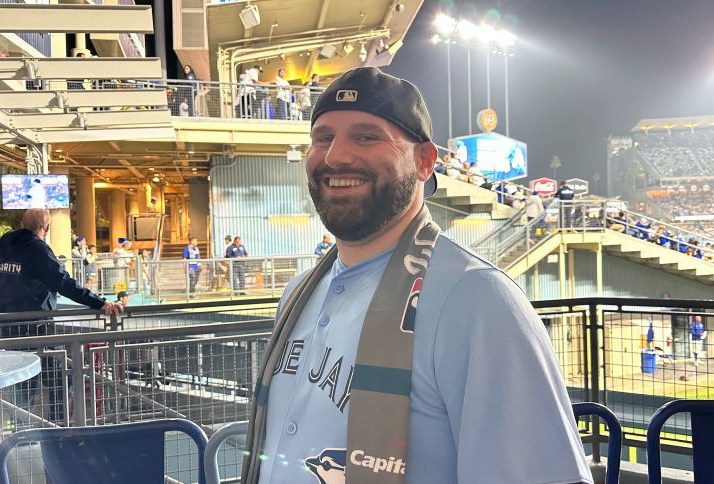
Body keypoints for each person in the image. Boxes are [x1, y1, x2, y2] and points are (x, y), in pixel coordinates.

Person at [241, 67, 591, 484]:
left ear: (424, 162)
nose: (335, 155)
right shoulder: (299, 292)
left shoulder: (477, 300)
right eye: (323, 137)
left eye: (366, 136)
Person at [0, 209, 122, 423]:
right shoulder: (37, 248)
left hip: (6, 326)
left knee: (21, 383)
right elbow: (63, 282)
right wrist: (100, 303)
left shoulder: (5, 245)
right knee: (58, 378)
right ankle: (57, 429)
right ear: (46, 228)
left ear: (22, 223)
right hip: (35, 328)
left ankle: (21, 433)